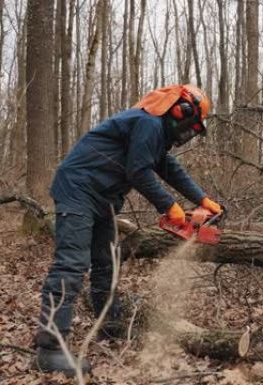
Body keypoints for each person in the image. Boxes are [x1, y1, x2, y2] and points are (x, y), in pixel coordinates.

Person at [33, 84, 222, 375]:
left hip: (102, 197)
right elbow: (139, 171)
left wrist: (202, 199)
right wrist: (169, 207)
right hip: (78, 189)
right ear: (180, 110)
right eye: (192, 124)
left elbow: (168, 168)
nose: (189, 132)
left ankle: (108, 325)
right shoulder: (148, 122)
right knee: (72, 263)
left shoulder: (155, 134)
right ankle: (50, 349)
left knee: (106, 262)